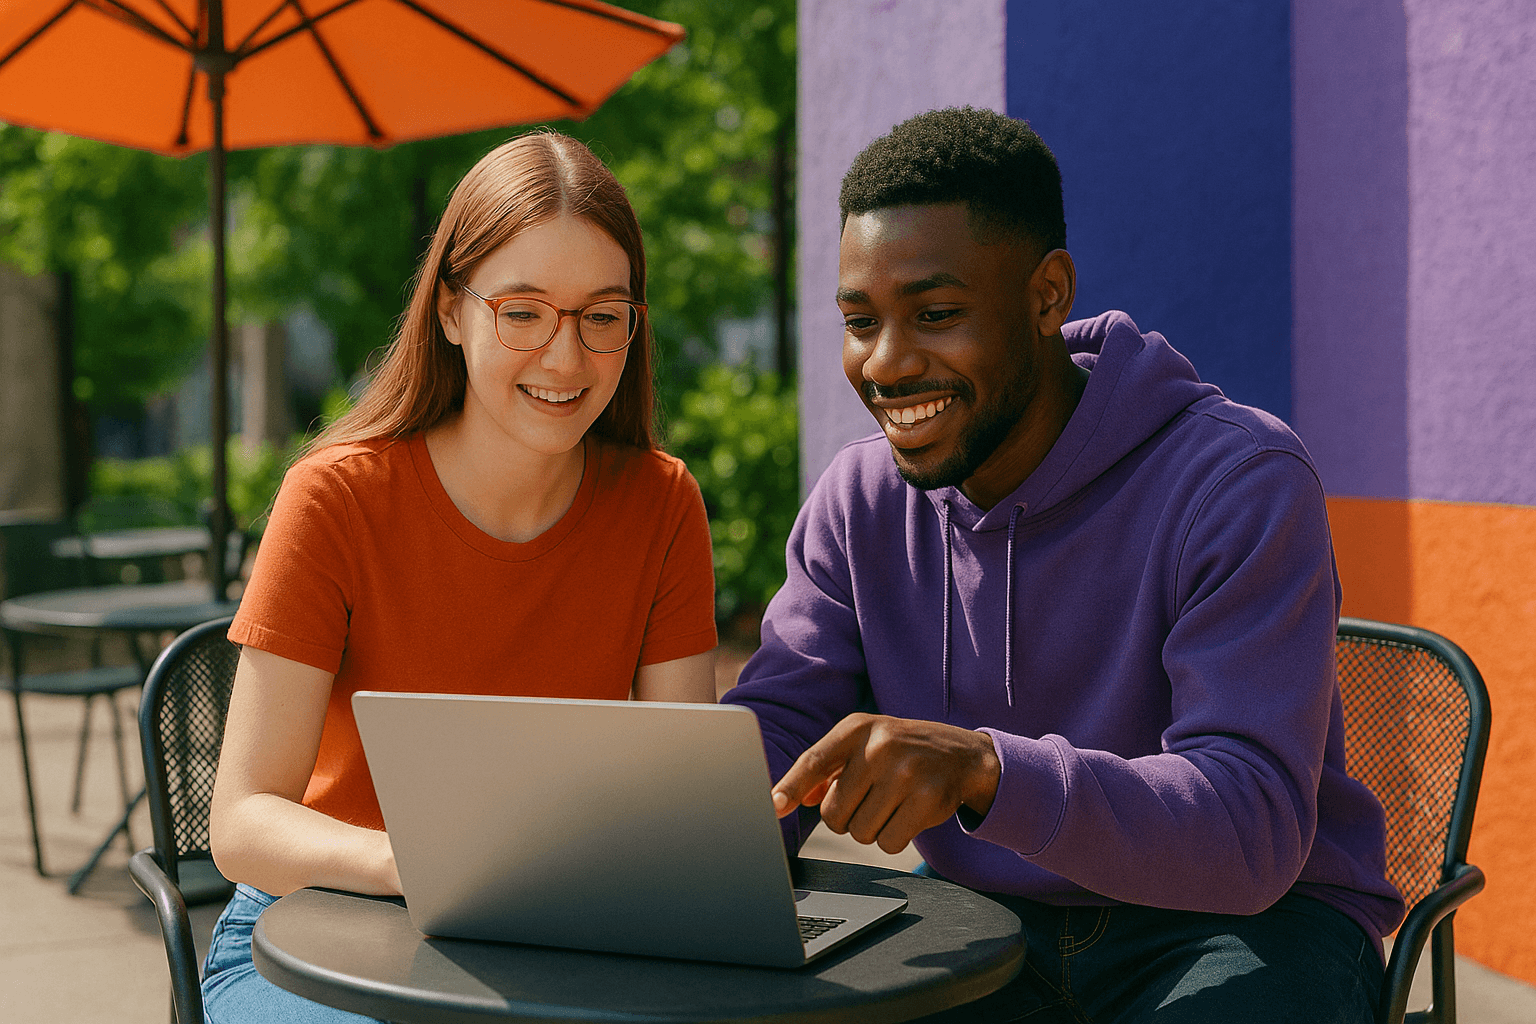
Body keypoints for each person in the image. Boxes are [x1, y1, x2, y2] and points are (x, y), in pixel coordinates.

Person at [722, 106, 1404, 1023]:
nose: (885, 363)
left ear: (1048, 295)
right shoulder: (861, 501)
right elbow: (777, 734)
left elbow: (1250, 831)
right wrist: (700, 844)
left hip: (1249, 928)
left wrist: (987, 773)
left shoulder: (1238, 479)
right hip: (987, 921)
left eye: (935, 314)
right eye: (859, 321)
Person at [203, 132, 718, 1023]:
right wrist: (416, 866)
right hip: (314, 934)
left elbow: (684, 817)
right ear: (450, 310)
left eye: (602, 316)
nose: (566, 359)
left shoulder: (662, 504)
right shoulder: (334, 499)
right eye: (522, 312)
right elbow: (242, 822)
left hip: (554, 942)